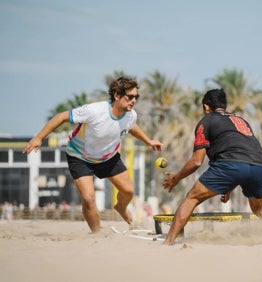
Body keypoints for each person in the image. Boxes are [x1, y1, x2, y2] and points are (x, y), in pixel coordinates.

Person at [23, 77, 163, 233]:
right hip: (80, 157)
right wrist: (39, 138)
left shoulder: (131, 115)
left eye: (136, 97)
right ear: (117, 95)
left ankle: (121, 208)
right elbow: (61, 117)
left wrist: (148, 141)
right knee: (89, 199)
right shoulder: (95, 111)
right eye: (130, 96)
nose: (134, 100)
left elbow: (131, 127)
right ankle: (97, 234)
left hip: (108, 157)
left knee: (128, 191)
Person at [162, 88, 262, 245]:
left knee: (192, 198)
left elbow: (197, 161)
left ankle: (168, 242)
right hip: (259, 165)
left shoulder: (206, 121)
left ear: (206, 107)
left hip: (230, 165)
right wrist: (229, 187)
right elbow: (242, 155)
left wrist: (176, 178)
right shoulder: (241, 121)